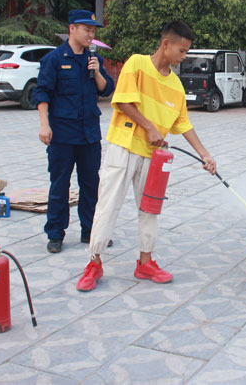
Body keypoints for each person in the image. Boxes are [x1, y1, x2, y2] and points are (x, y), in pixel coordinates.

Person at [76, 21, 217, 292]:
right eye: (182, 50)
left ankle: (145, 262)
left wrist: (205, 155)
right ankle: (94, 263)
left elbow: (183, 124)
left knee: (150, 210)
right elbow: (123, 101)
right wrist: (150, 127)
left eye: (187, 52)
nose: (184, 57)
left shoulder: (175, 85)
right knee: (108, 205)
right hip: (124, 147)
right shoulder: (136, 64)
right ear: (166, 44)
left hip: (153, 157)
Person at [34, 10, 115, 254]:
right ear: (72, 29)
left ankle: (90, 230)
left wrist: (98, 71)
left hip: (89, 133)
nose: (91, 34)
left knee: (91, 184)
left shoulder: (94, 59)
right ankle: (56, 233)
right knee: (59, 185)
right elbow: (42, 93)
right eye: (86, 29)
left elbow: (106, 90)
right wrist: (44, 124)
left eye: (93, 30)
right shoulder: (55, 59)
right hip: (62, 134)